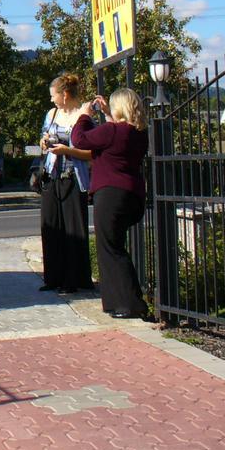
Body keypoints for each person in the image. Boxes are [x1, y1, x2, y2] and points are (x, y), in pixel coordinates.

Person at [71, 88, 150, 319]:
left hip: (110, 195)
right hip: (133, 194)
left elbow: (79, 140)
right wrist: (107, 115)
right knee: (115, 247)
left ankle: (131, 303)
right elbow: (115, 140)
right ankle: (117, 302)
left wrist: (84, 115)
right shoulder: (138, 132)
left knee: (111, 249)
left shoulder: (112, 131)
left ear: (119, 108)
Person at [38, 73, 94, 295]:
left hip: (73, 176)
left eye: (54, 95)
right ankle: (53, 277)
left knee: (73, 230)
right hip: (52, 175)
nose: (52, 100)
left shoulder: (84, 116)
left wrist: (67, 151)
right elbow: (43, 139)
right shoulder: (52, 114)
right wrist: (44, 143)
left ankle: (73, 279)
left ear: (65, 94)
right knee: (51, 226)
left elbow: (91, 151)